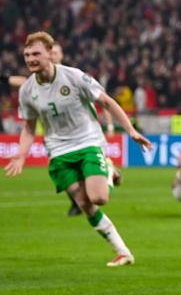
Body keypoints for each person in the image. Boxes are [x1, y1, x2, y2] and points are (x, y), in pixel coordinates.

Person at [4, 32, 152, 266]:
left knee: (99, 198)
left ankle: (109, 174)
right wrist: (22, 155)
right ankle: (123, 252)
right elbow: (30, 128)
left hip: (87, 142)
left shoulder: (73, 77)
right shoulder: (27, 91)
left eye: (36, 54)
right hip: (58, 152)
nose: (31, 59)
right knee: (84, 204)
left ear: (50, 54)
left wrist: (130, 130)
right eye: (27, 55)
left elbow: (107, 101)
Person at [8, 41, 121, 217]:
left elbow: (104, 101)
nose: (52, 56)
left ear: (58, 55)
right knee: (69, 177)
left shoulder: (74, 77)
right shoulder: (36, 82)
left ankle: (104, 175)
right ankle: (77, 202)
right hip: (57, 139)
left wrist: (111, 124)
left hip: (85, 137)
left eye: (55, 53)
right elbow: (25, 85)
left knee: (95, 193)